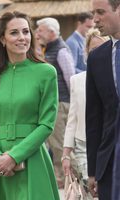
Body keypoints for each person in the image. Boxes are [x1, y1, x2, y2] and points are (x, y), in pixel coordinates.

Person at [0, 11, 60, 200]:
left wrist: (14, 157)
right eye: (14, 33)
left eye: (26, 32)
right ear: (2, 39)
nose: (22, 37)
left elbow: (47, 124)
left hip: (33, 159)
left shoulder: (46, 73)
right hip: (1, 165)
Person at [62, 29, 109, 197]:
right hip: (83, 147)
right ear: (87, 52)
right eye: (92, 49)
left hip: (109, 145)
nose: (97, 53)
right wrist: (66, 155)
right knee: (91, 192)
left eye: (102, 47)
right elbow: (72, 119)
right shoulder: (77, 80)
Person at [86, 0, 120, 199]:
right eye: (93, 13)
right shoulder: (96, 58)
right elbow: (93, 117)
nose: (95, 19)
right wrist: (93, 170)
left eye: (100, 12)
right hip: (109, 164)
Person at [36, 17, 75, 188]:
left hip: (61, 103)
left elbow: (70, 78)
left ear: (52, 32)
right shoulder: (48, 49)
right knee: (55, 143)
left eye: (41, 31)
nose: (38, 34)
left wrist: (71, 104)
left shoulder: (60, 50)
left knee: (59, 144)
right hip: (55, 103)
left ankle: (67, 180)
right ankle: (62, 178)